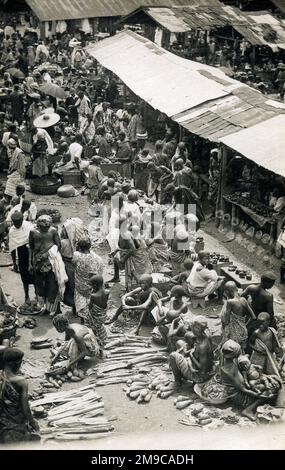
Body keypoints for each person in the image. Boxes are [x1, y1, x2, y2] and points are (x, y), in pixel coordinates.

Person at [0, 348, 40, 443]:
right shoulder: (20, 382)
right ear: (17, 363)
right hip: (14, 423)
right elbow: (25, 408)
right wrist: (32, 422)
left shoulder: (1, 376)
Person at [29, 215, 67, 316]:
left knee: (54, 286)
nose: (46, 228)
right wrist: (30, 263)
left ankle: (57, 309)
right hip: (38, 263)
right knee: (41, 287)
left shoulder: (53, 231)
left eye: (47, 226)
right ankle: (46, 308)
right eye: (44, 227)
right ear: (38, 225)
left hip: (51, 262)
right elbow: (31, 248)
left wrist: (49, 254)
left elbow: (58, 245)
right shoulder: (33, 232)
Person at [169, 316, 214, 387]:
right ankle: (182, 373)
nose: (191, 329)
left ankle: (177, 381)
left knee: (173, 355)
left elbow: (202, 368)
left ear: (196, 329)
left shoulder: (202, 346)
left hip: (198, 375)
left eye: (192, 327)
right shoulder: (207, 335)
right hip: (200, 362)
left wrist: (191, 355)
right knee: (180, 343)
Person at [73, 237, 103, 322]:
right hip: (89, 284)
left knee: (81, 302)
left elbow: (73, 264)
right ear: (90, 246)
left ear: (78, 246)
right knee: (89, 302)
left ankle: (83, 319)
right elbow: (93, 273)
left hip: (79, 283)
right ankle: (89, 318)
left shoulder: (76, 254)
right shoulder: (93, 258)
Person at [60, 218, 87, 308]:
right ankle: (76, 306)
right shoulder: (78, 242)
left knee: (68, 284)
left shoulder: (63, 242)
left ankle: (70, 302)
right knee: (74, 285)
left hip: (66, 264)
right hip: (75, 264)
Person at [221, 281, 256, 350]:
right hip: (243, 331)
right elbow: (254, 317)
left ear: (227, 292)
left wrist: (224, 331)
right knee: (241, 350)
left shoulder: (230, 302)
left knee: (231, 350)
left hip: (234, 332)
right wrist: (244, 325)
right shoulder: (243, 300)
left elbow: (227, 321)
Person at [9, 211, 34, 304]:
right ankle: (26, 296)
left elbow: (35, 239)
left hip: (32, 253)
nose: (17, 225)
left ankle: (36, 295)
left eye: (18, 223)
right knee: (24, 276)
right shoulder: (12, 231)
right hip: (22, 254)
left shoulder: (29, 226)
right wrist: (14, 263)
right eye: (15, 223)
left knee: (34, 275)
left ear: (22, 220)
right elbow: (12, 247)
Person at [85, 275, 109, 352]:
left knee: (91, 324)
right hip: (102, 315)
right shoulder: (107, 292)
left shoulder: (93, 296)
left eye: (92, 285)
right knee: (99, 326)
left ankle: (95, 341)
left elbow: (90, 307)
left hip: (95, 315)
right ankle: (103, 338)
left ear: (94, 285)